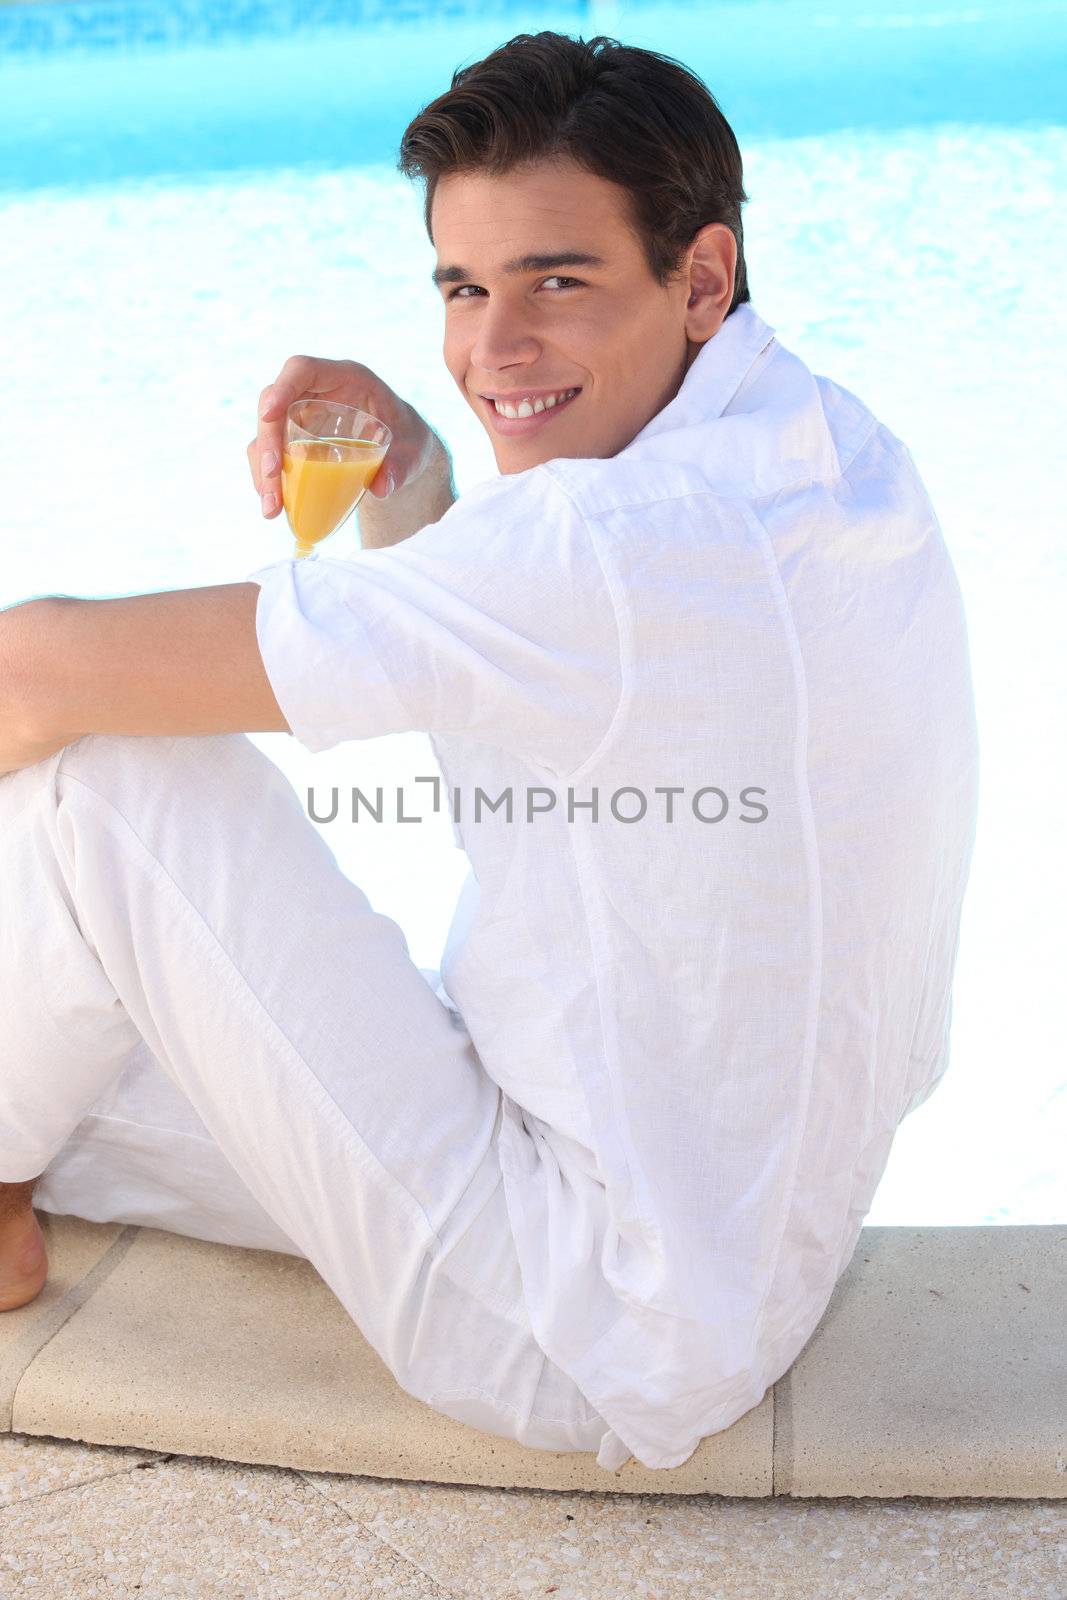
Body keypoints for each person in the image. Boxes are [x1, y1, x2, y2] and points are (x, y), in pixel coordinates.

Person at [0, 32, 979, 1473]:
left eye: (558, 282)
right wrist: (418, 478)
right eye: (464, 287)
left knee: (98, 785)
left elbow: (36, 667)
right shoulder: (821, 450)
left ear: (702, 278)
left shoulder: (612, 548)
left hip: (577, 1316)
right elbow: (552, 678)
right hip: (743, 1235)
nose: (492, 349)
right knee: (88, 1030)